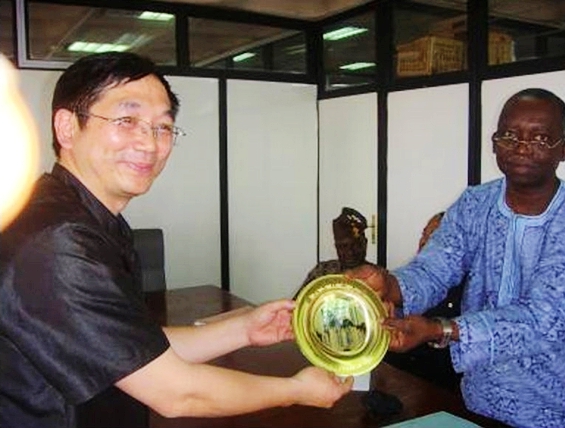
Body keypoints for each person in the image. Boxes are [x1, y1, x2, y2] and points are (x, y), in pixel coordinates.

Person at [0, 52, 353, 428]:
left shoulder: (85, 218)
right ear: (67, 127)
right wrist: (297, 390)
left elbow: (134, 350)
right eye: (127, 120)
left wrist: (245, 329)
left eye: (163, 127)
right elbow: (176, 392)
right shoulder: (58, 240)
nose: (149, 144)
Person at [348, 88, 565, 428]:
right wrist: (389, 284)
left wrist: (439, 329)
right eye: (509, 135)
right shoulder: (474, 204)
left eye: (540, 138)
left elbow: (545, 320)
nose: (521, 147)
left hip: (556, 410)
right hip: (477, 400)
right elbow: (434, 269)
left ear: (563, 150)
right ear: (494, 143)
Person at [385, 211, 463, 391]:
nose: (423, 242)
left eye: (433, 238)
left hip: (434, 383)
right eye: (424, 235)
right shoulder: (408, 280)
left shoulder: (467, 291)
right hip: (395, 372)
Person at [294, 207, 373, 298]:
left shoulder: (375, 277)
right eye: (343, 247)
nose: (350, 252)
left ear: (365, 244)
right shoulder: (322, 272)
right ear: (336, 247)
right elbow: (298, 302)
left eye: (355, 245)